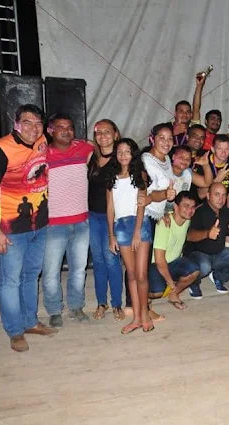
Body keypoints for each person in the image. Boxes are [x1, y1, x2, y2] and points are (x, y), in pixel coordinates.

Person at [0, 104, 57, 351]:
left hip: (39, 224)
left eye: (38, 123)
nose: (33, 128)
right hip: (10, 229)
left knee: (31, 275)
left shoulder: (42, 141)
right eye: (27, 122)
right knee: (10, 281)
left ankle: (30, 321)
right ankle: (14, 331)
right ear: (16, 124)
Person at [42, 113, 95, 328]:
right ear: (50, 131)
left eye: (70, 127)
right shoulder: (42, 154)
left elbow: (102, 146)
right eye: (60, 127)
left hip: (82, 222)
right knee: (51, 272)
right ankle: (54, 310)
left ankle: (76, 306)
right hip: (54, 224)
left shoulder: (83, 148)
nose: (66, 131)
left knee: (79, 270)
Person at [106, 138, 154, 334]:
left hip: (139, 224)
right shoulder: (112, 177)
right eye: (119, 151)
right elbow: (110, 208)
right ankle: (136, 318)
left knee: (141, 275)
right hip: (120, 226)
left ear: (133, 154)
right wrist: (111, 235)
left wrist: (137, 231)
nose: (123, 155)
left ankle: (145, 314)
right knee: (132, 274)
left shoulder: (139, 174)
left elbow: (141, 204)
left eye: (127, 151)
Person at [184, 183, 229, 297]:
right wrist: (207, 233)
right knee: (205, 266)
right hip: (199, 254)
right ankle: (193, 282)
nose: (221, 199)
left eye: (224, 195)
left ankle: (218, 276)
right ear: (208, 195)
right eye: (217, 195)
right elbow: (189, 235)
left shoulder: (225, 212)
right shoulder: (199, 211)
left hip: (219, 253)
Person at [88, 119, 125, 321]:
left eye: (107, 131)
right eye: (98, 132)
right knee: (98, 261)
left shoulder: (121, 159)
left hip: (113, 218)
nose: (102, 135)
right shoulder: (92, 157)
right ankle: (101, 303)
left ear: (115, 134)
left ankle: (117, 304)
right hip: (93, 217)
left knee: (112, 261)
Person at [148, 191, 201, 310]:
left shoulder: (188, 220)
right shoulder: (165, 223)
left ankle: (173, 294)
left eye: (192, 207)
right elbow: (159, 260)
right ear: (176, 207)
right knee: (157, 292)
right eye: (186, 206)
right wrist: (170, 282)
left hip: (175, 262)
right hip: (156, 265)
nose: (190, 210)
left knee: (194, 270)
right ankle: (141, 294)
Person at [166, 145, 212, 213]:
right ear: (173, 157)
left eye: (188, 159)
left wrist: (205, 165)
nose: (185, 160)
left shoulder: (187, 172)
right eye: (181, 157)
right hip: (163, 211)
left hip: (181, 211)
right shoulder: (164, 172)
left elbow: (207, 183)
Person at [171, 72, 206, 146]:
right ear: (175, 114)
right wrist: (172, 134)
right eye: (181, 111)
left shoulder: (193, 130)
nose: (185, 114)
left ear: (191, 115)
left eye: (187, 112)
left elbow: (196, 108)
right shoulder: (165, 128)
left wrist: (199, 86)